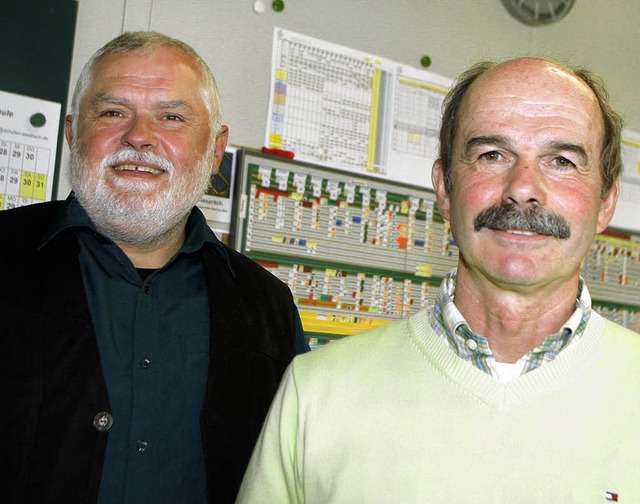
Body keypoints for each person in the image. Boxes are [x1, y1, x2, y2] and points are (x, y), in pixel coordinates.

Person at [236, 57, 640, 503]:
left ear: (606, 202)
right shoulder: (315, 390)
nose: (523, 187)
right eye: (492, 155)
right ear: (444, 189)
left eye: (561, 161)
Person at [0, 31, 309, 504]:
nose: (139, 135)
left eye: (171, 117)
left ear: (215, 150)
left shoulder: (268, 307)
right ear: (71, 133)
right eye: (112, 112)